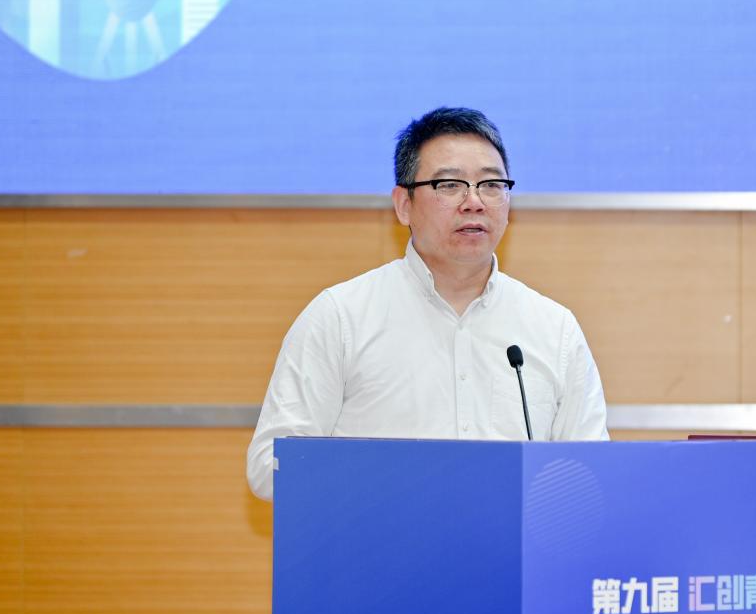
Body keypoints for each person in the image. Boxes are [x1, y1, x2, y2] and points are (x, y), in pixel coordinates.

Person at [246, 107, 609, 500]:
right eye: (449, 185)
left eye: (491, 184)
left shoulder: (554, 329)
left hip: (507, 541)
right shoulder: (340, 317)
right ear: (404, 204)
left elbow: (590, 477)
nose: (474, 201)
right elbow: (269, 469)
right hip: (380, 536)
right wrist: (394, 482)